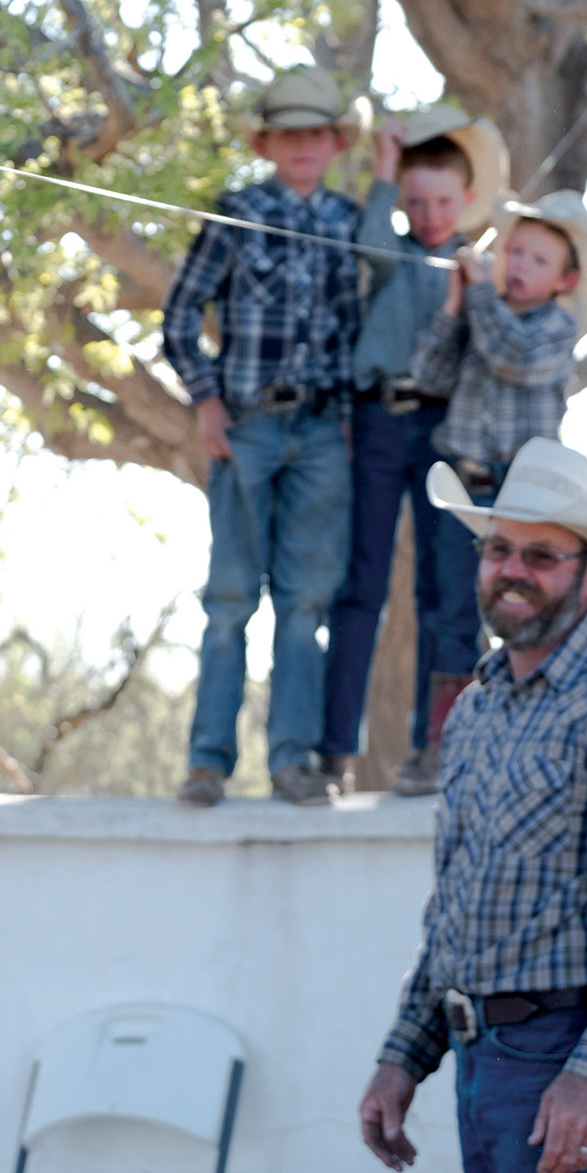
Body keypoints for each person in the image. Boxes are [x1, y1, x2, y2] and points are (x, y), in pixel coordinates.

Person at [357, 438, 587, 1173]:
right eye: (499, 549)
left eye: (542, 555)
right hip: (478, 1054)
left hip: (561, 1057)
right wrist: (404, 1055)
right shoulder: (477, 712)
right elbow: (454, 904)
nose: (512, 569)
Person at [163, 65, 366, 807]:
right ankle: (208, 762)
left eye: (316, 133)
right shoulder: (236, 211)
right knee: (230, 597)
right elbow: (180, 315)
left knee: (307, 601)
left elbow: (358, 326)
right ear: (270, 142)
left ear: (333, 142)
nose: (302, 145)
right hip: (247, 427)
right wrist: (207, 401)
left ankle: (291, 760)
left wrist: (347, 417)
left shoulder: (348, 221)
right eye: (289, 134)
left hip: (320, 430)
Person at [324, 105, 508, 799]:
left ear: (465, 201)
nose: (429, 214)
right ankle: (334, 748)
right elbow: (369, 245)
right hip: (377, 419)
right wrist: (385, 168)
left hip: (443, 430)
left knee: (444, 589)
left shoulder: (473, 267)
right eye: (415, 201)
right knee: (360, 583)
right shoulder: (390, 249)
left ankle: (435, 743)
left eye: (443, 201)